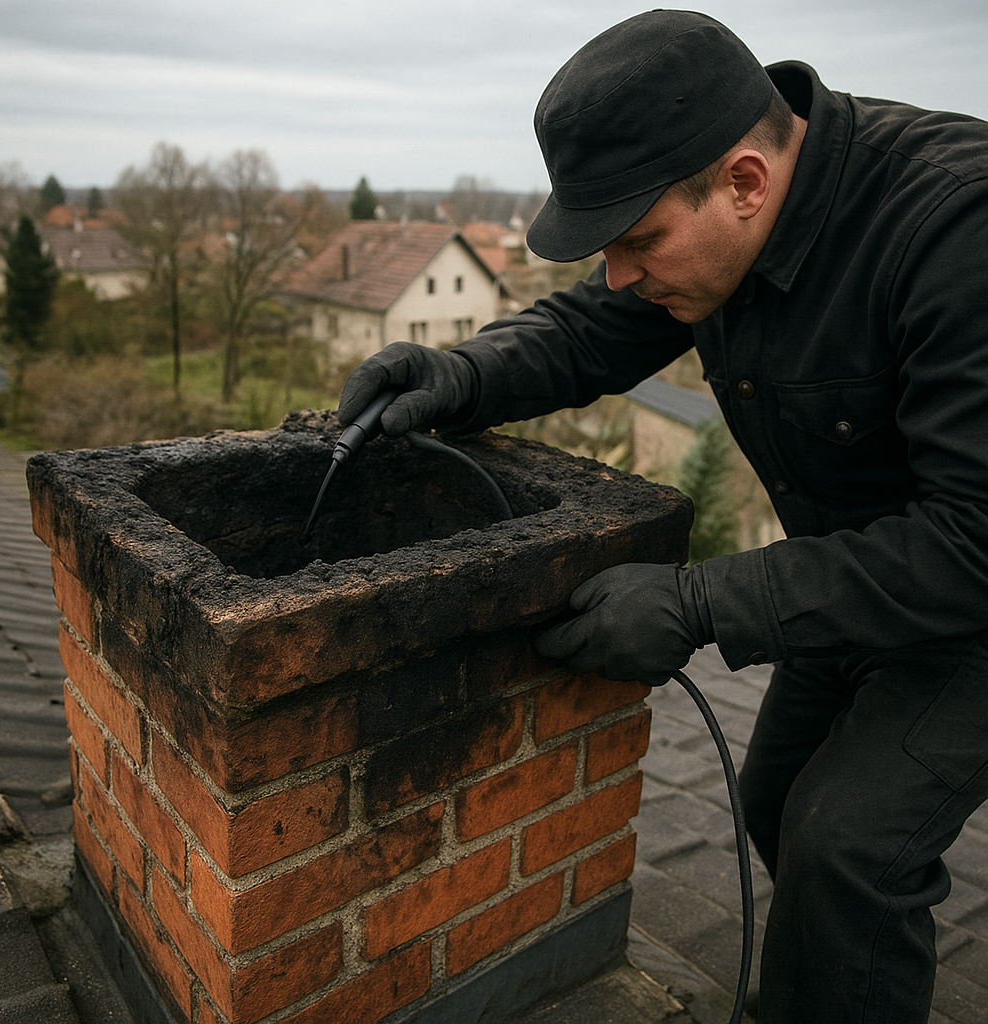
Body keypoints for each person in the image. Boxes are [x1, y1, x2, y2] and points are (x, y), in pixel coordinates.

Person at [337, 11, 988, 1023]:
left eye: (636, 241)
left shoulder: (958, 230)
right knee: (774, 800)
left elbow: (972, 542)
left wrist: (698, 601)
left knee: (845, 843)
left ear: (743, 182)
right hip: (852, 570)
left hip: (971, 590)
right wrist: (459, 372)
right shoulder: (713, 224)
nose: (622, 270)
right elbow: (595, 327)